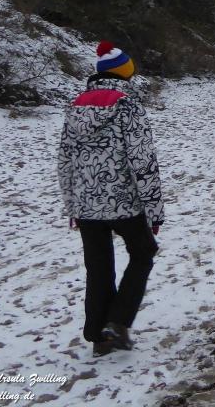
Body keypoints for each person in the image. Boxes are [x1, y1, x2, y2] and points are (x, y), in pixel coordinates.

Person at [57, 41, 166, 357]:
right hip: (124, 201)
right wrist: (154, 211)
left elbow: (65, 159)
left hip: (86, 203)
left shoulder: (76, 105)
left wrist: (72, 206)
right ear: (125, 73)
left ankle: (98, 337)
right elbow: (142, 160)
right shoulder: (128, 105)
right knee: (144, 253)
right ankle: (117, 322)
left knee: (99, 268)